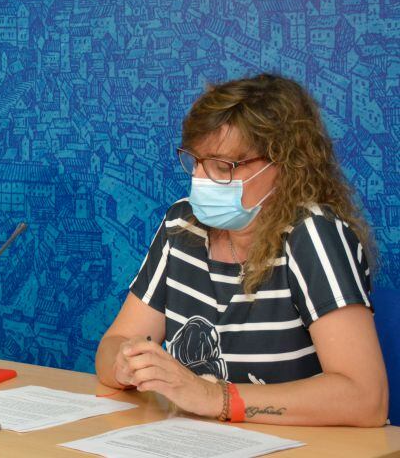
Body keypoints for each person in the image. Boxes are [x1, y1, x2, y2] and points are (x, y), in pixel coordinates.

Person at [95, 73, 387, 427]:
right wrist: (125, 364)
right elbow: (114, 342)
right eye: (196, 161)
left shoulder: (312, 235)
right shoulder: (181, 226)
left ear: (283, 165)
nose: (200, 179)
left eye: (222, 166)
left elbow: (365, 399)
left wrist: (211, 397)